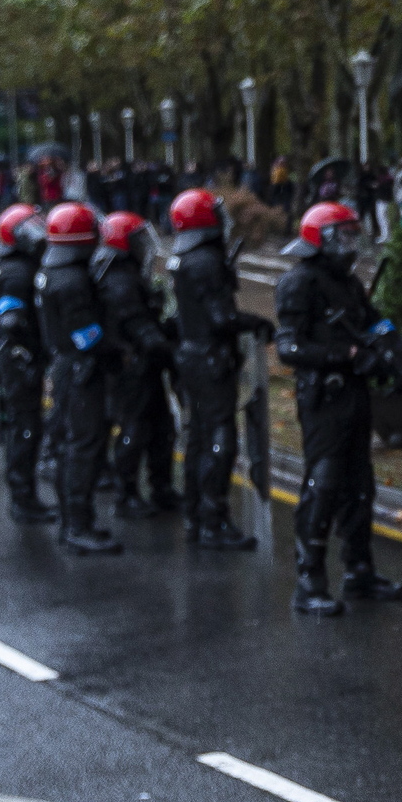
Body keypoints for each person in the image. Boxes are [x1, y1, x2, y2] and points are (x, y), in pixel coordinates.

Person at [277, 199, 402, 612]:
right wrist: (348, 355)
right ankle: (309, 581)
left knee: (360, 485)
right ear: (321, 240)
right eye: (344, 236)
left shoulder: (348, 283)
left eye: (355, 236)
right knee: (324, 483)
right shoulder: (299, 282)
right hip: (323, 397)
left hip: (354, 395)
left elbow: (374, 321)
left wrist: (394, 351)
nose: (351, 245)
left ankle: (359, 571)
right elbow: (290, 347)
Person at [169, 187, 271, 550]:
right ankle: (214, 520)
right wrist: (256, 322)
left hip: (192, 357)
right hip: (211, 360)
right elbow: (221, 317)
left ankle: (197, 515)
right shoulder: (206, 262)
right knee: (218, 440)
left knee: (198, 437)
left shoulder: (184, 258)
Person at [36, 203, 123, 556]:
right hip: (80, 371)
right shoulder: (72, 283)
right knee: (83, 447)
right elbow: (87, 336)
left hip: (66, 366)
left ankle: (75, 521)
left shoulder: (52, 271)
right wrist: (116, 349)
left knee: (72, 445)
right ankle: (77, 526)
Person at [97, 213, 180, 515]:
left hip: (145, 364)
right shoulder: (119, 281)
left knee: (162, 428)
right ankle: (127, 493)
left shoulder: (130, 274)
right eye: (138, 240)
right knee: (135, 429)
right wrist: (167, 346)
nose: (145, 246)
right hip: (131, 368)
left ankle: (162, 488)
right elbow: (137, 325)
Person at [0, 204, 55, 524]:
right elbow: (11, 321)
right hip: (18, 360)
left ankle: (24, 495)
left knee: (25, 426)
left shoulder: (12, 265)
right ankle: (22, 499)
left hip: (15, 358)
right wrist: (26, 358)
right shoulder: (16, 271)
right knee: (25, 429)